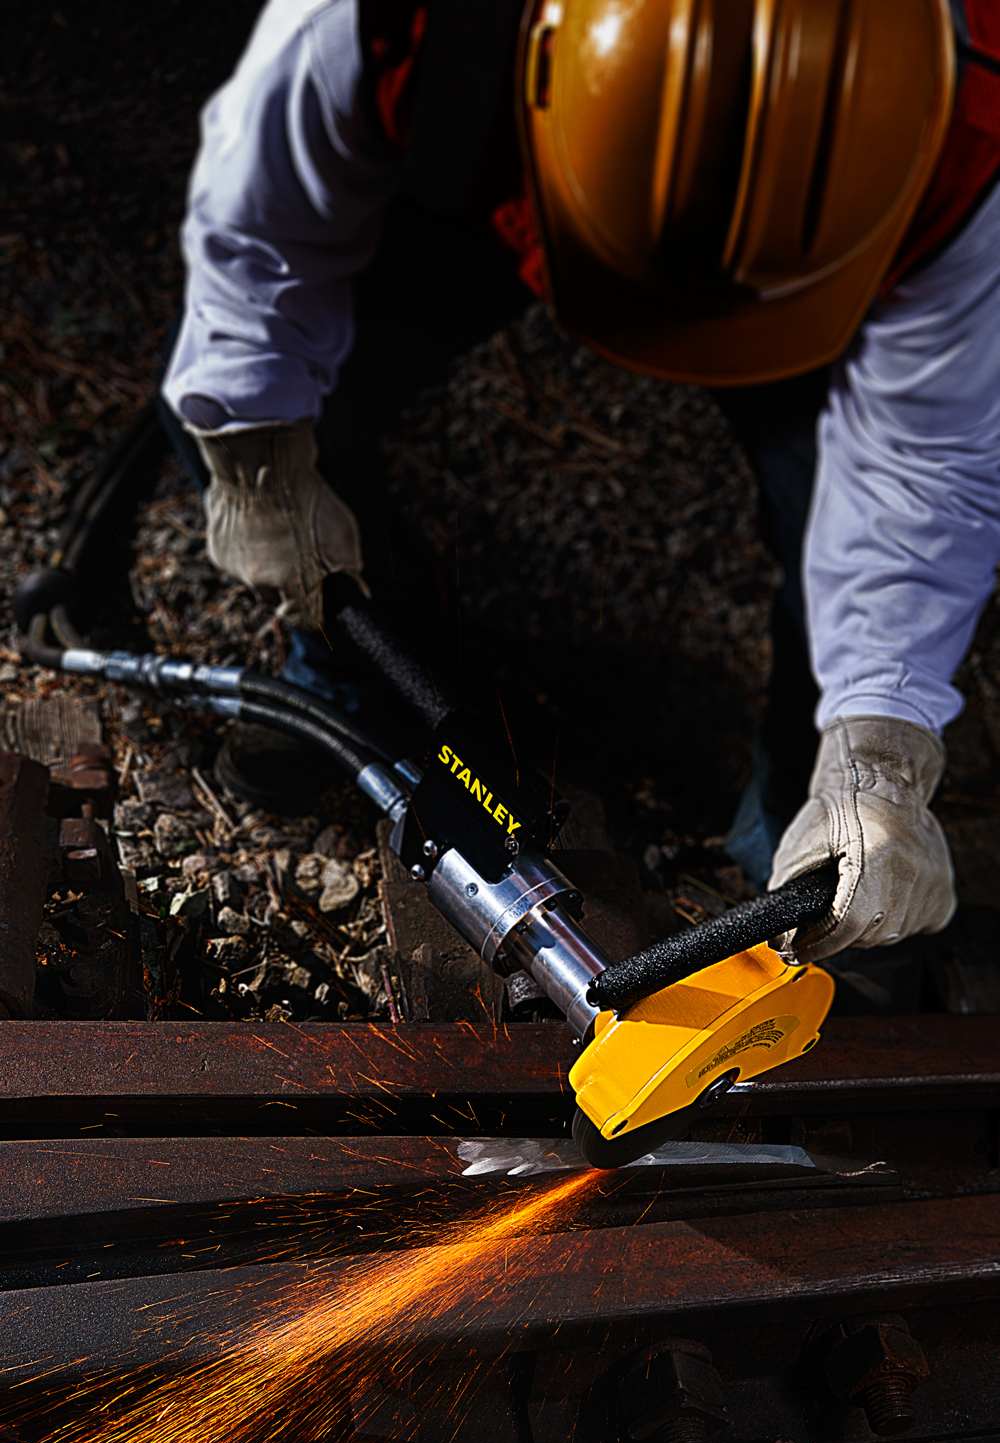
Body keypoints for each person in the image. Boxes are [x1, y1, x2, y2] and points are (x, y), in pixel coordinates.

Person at [160, 0, 1000, 966]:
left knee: (833, 527)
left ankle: (814, 867)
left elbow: (923, 467)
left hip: (811, 274)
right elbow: (258, 233)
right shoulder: (380, 24)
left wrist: (882, 747)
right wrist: (257, 454)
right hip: (513, 166)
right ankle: (356, 678)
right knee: (267, 397)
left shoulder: (961, 130)